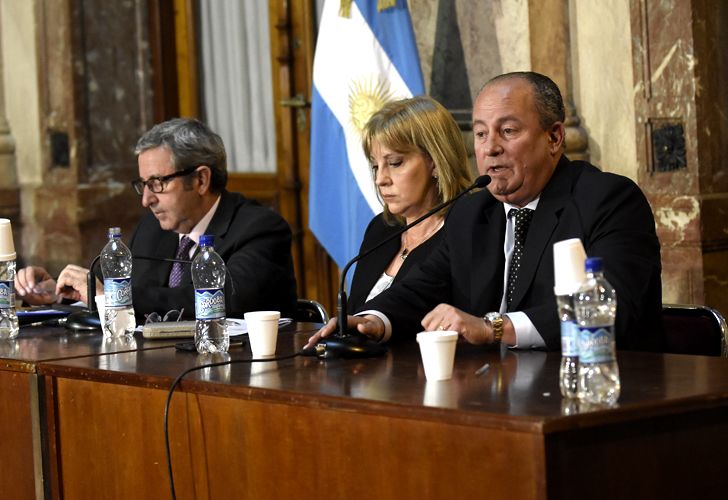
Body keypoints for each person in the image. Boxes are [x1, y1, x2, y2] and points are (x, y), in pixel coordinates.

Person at [307, 71, 662, 351]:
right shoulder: (473, 212)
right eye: (479, 134)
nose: (490, 148)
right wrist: (373, 320)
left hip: (594, 393)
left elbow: (610, 307)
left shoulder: (607, 200)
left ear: (554, 138)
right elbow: (420, 289)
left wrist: (494, 328)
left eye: (507, 131)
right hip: (494, 396)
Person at [15, 118, 298, 319]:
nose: (146, 199)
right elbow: (113, 283)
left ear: (200, 179)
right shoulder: (155, 228)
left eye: (158, 183)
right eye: (142, 184)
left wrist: (111, 296)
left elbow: (220, 299)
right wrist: (57, 291)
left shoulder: (260, 229)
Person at [347, 95, 473, 313]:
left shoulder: (463, 230)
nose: (380, 179)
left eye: (395, 163)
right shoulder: (381, 229)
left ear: (435, 161)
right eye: (376, 166)